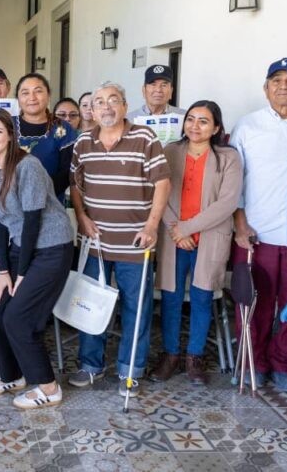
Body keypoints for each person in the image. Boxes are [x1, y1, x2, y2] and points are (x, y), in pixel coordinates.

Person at [68, 82, 171, 395]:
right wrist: (82, 217)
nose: (106, 107)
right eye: (99, 102)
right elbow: (75, 184)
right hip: (96, 242)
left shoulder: (144, 137)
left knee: (135, 309)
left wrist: (152, 226)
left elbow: (162, 183)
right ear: (92, 110)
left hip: (135, 241)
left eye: (113, 100)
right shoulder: (83, 142)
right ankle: (91, 365)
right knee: (90, 305)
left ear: (125, 106)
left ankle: (130, 370)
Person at [230, 57, 287, 392]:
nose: (284, 86)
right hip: (256, 234)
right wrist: (240, 225)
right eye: (276, 80)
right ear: (266, 88)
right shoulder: (247, 125)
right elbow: (234, 182)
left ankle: (286, 365)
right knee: (253, 302)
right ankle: (252, 362)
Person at [0, 108, 74, 409]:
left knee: (17, 317)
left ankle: (49, 387)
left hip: (51, 248)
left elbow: (33, 221)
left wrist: (20, 274)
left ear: (10, 135)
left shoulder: (27, 166)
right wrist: (3, 270)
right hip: (23, 245)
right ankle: (12, 376)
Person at [150, 101, 241, 386]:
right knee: (171, 298)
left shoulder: (228, 157)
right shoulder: (169, 152)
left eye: (203, 121)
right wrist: (177, 230)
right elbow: (159, 193)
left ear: (216, 128)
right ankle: (170, 355)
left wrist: (187, 228)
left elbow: (227, 202)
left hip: (208, 238)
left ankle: (195, 357)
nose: (195, 125)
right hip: (173, 237)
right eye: (190, 119)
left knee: (202, 298)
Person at [14, 73, 77, 202]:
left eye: (38, 91)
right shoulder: (7, 125)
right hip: (12, 200)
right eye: (25, 93)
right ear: (18, 99)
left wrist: (39, 194)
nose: (32, 97)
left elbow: (67, 171)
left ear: (48, 95)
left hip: (51, 201)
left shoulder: (62, 128)